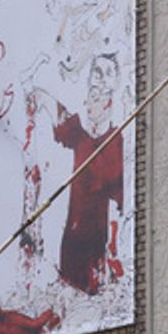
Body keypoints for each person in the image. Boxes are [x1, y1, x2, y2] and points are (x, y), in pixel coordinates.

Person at [30, 53, 125, 295]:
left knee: (89, 290)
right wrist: (41, 97)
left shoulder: (116, 141)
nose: (100, 82)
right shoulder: (83, 140)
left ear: (109, 103)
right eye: (97, 73)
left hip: (98, 239)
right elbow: (65, 122)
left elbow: (116, 193)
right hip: (73, 236)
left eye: (108, 74)